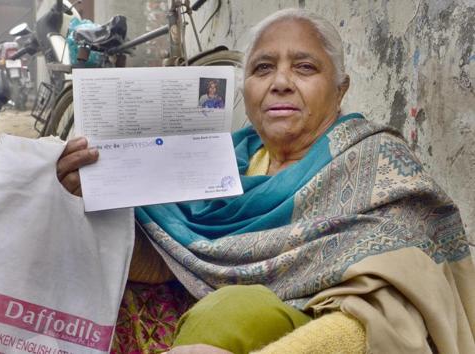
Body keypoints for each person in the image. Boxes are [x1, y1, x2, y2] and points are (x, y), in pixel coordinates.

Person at [56, 8, 475, 354]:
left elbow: (390, 314)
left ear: (340, 88)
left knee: (236, 306)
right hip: (194, 336)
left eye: (305, 67)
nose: (280, 83)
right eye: (262, 68)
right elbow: (172, 268)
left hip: (313, 339)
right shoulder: (220, 164)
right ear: (245, 88)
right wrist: (90, 199)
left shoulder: (377, 165)